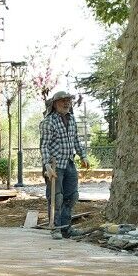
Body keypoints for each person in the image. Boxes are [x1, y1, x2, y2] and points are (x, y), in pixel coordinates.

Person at [39, 90, 91, 238]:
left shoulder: (72, 119)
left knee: (71, 196)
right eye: (63, 101)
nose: (66, 103)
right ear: (55, 104)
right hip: (54, 165)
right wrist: (47, 165)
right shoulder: (48, 122)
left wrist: (83, 156)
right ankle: (55, 228)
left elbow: (75, 140)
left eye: (68, 100)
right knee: (56, 198)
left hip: (69, 163)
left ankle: (66, 228)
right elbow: (44, 145)